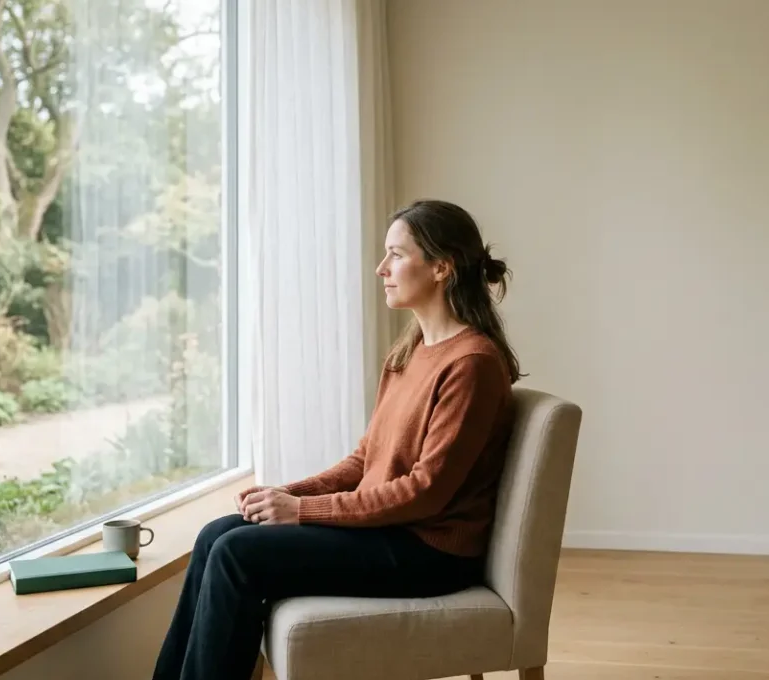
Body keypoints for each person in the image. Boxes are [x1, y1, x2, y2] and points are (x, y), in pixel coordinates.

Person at [151, 199, 523, 680]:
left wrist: (301, 512)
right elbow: (364, 460)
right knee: (216, 534)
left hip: (429, 552)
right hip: (391, 531)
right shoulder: (410, 352)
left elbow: (426, 493)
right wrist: (288, 494)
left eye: (396, 254)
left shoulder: (471, 364)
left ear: (441, 268)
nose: (380, 268)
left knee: (237, 554)